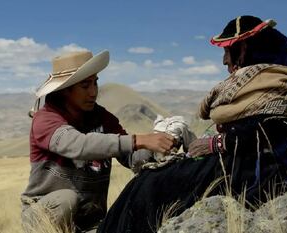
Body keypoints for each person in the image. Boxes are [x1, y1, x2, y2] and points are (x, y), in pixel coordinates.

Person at [97, 15, 287, 233]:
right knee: (146, 182)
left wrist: (217, 144)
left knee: (150, 185)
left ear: (246, 50)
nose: (224, 60)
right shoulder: (267, 84)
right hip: (239, 161)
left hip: (251, 170)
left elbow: (270, 135)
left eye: (230, 50)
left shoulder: (275, 87)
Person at [20, 50, 175, 232]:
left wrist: (161, 143)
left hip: (92, 222)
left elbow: (131, 158)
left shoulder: (102, 118)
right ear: (65, 91)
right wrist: (138, 140)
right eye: (85, 86)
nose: (93, 92)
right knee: (66, 200)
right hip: (44, 218)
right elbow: (78, 145)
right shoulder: (45, 119)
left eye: (95, 83)